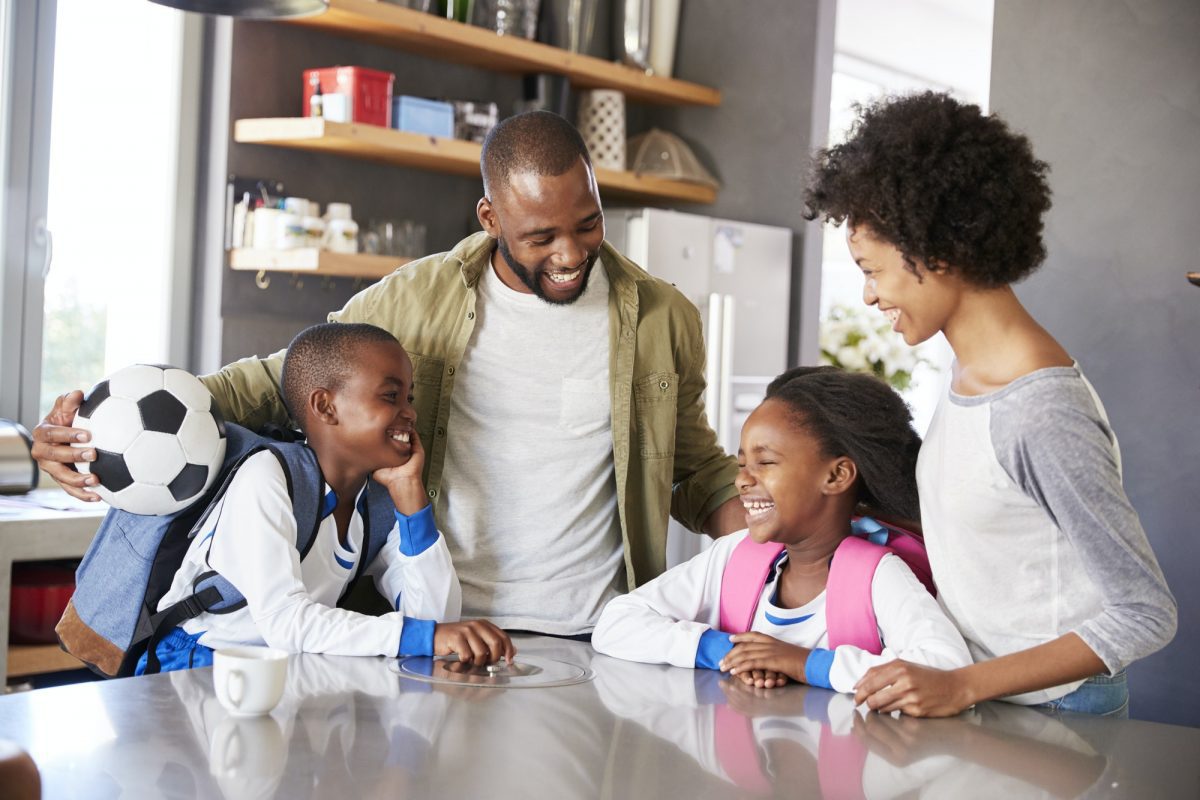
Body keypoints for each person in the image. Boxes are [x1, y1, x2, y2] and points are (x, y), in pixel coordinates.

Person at [32, 110, 745, 638]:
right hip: (427, 630)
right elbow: (273, 383)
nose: (570, 253)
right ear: (490, 217)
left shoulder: (662, 318)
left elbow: (693, 470)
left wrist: (785, 523)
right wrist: (97, 430)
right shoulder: (412, 300)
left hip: (593, 634)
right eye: (541, 236)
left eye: (587, 224)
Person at [804, 91, 1177, 717]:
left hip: (1056, 708)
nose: (868, 296)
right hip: (988, 692)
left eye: (872, 270)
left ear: (937, 250)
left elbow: (1145, 613)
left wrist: (964, 685)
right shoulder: (969, 372)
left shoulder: (1040, 410)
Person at [135, 322, 513, 673]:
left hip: (283, 666)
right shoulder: (268, 475)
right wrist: (425, 637)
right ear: (325, 407)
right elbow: (285, 622)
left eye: (409, 398)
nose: (410, 413)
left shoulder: (378, 502)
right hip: (196, 664)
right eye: (391, 396)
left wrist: (411, 496)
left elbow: (435, 621)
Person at [591, 366, 972, 694]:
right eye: (742, 464)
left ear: (836, 475)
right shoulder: (734, 554)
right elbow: (616, 622)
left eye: (766, 462)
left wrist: (803, 663)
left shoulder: (879, 575)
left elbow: (944, 667)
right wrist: (727, 651)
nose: (742, 481)